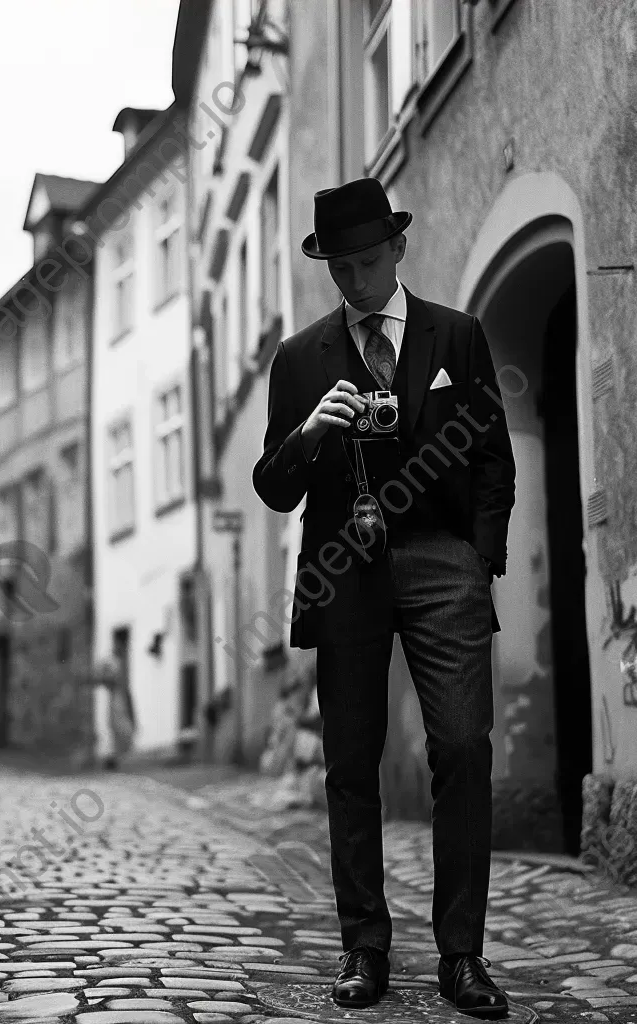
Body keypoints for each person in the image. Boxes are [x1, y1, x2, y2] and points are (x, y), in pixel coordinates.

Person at [252, 177, 516, 1019]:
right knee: (350, 764)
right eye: (338, 267)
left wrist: (479, 560)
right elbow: (271, 488)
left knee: (464, 748)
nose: (354, 281)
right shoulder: (300, 359)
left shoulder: (459, 337)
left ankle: (462, 955)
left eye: (367, 262)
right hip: (346, 567)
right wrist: (308, 434)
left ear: (398, 249)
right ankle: (364, 947)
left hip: (443, 563)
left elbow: (492, 458)